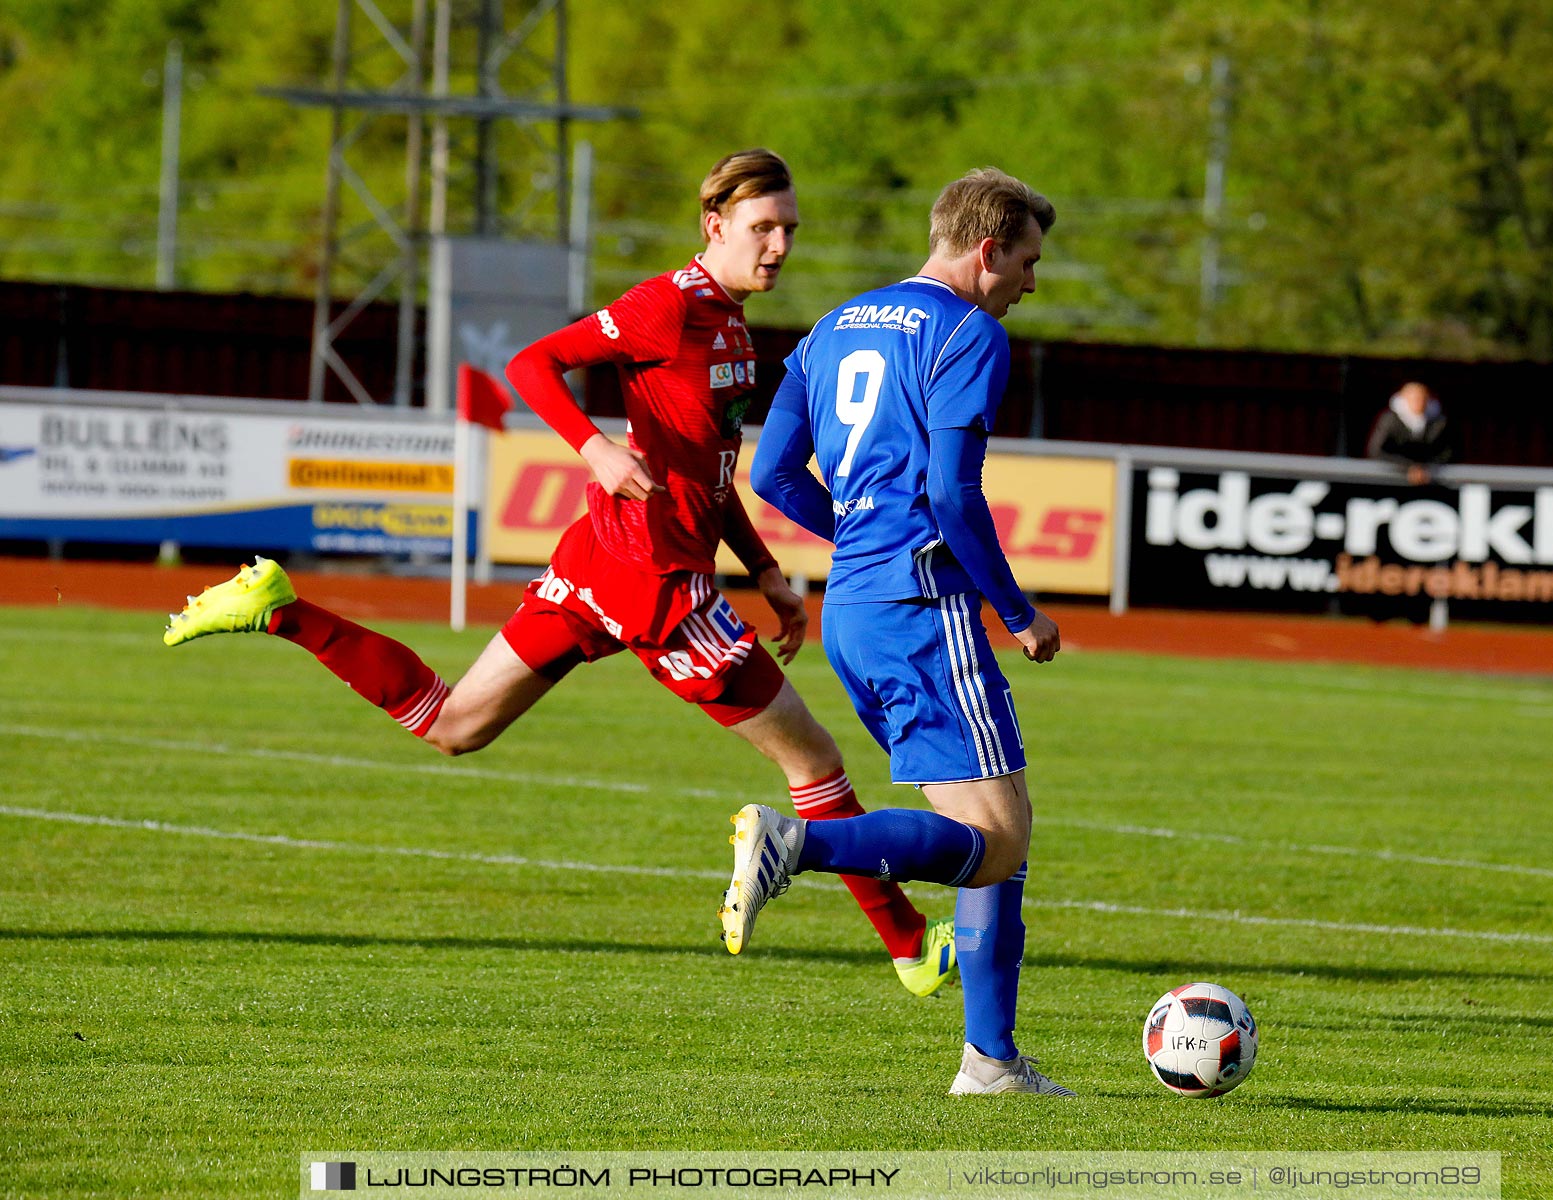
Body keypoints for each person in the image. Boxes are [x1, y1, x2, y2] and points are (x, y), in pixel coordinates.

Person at [160, 149, 956, 999]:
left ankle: (282, 610)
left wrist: (763, 568)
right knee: (813, 764)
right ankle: (910, 948)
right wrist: (595, 447)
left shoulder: (729, 323)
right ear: (714, 226)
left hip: (606, 561)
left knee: (454, 724)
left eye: (789, 229)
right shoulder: (666, 305)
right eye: (763, 228)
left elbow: (704, 471)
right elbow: (532, 365)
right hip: (653, 585)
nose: (780, 246)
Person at [724, 167, 1073, 1097]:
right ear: (988, 248)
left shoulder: (834, 325)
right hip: (926, 612)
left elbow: (773, 474)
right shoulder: (971, 334)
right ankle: (800, 845)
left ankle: (990, 1063)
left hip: (857, 611)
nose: (1031, 285)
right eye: (1028, 262)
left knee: (980, 833)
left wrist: (863, 541)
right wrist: (1019, 612)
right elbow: (956, 496)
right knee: (999, 841)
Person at [1366, 380, 1451, 484]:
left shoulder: (1438, 423)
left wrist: (1427, 468)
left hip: (1430, 481)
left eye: (1422, 398)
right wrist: (1407, 468)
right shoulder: (1390, 420)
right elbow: (1376, 450)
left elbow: (1446, 453)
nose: (1419, 402)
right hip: (1391, 480)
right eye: (1414, 398)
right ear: (1404, 398)